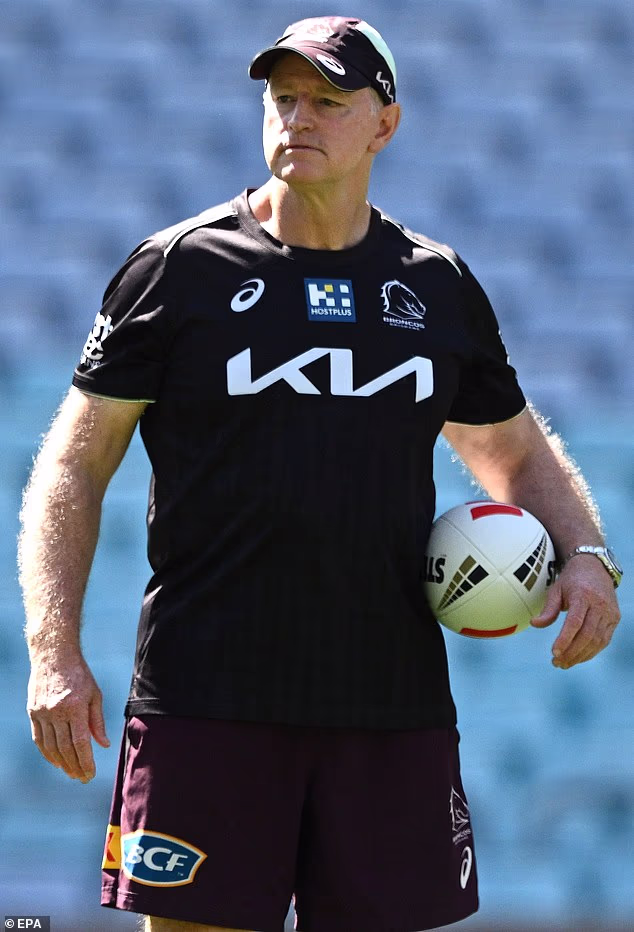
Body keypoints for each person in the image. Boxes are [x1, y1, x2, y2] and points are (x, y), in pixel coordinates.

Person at [18, 15, 622, 932]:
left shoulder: (437, 285)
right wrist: (53, 649)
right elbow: (75, 460)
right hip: (206, 702)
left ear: (386, 124)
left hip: (390, 709)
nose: (298, 118)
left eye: (329, 101)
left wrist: (587, 554)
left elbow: (515, 452)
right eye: (283, 98)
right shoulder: (178, 270)